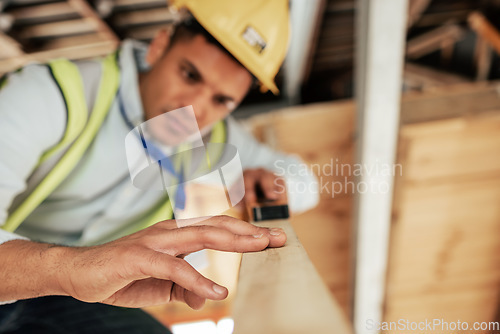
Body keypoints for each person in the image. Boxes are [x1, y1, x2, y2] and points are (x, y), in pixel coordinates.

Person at [0, 0, 318, 333]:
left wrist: (271, 184)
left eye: (221, 100)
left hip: (73, 298)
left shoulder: (216, 136)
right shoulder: (51, 94)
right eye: (190, 74)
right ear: (159, 46)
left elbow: (305, 183)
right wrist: (74, 268)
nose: (194, 110)